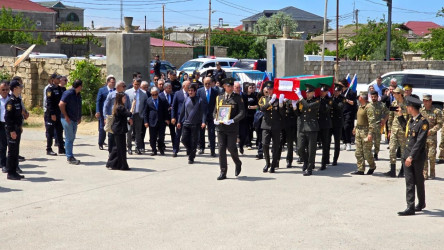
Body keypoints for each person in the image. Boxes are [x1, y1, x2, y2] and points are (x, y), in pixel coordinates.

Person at [396, 96, 428, 216]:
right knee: (409, 181)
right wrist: (400, 117)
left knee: (419, 180)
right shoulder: (411, 120)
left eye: (408, 106)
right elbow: (407, 130)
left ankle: (421, 203)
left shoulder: (423, 122)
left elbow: (419, 142)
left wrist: (411, 157)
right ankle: (410, 207)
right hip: (407, 154)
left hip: (416, 157)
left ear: (412, 107)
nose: (407, 108)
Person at [214, 77, 245, 180]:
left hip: (232, 127)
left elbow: (242, 112)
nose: (231, 87)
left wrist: (233, 120)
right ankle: (223, 172)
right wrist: (215, 118)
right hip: (221, 128)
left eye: (232, 86)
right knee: (221, 149)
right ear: (224, 86)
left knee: (231, 148)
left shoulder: (237, 98)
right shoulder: (219, 97)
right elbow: (215, 111)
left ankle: (237, 162)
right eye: (229, 86)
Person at [258, 81, 285, 173]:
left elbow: (282, 114)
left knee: (276, 146)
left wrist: (281, 105)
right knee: (265, 144)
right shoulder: (263, 99)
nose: (269, 90)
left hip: (276, 126)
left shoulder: (278, 99)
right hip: (266, 125)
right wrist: (270, 102)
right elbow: (261, 108)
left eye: (271, 89)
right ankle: (267, 163)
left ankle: (273, 165)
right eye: (267, 89)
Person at [177, 84, 206, 164]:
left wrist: (203, 122)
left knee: (194, 141)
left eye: (192, 91)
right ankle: (190, 150)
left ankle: (191, 157)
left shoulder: (199, 100)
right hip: (186, 123)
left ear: (195, 91)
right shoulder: (186, 99)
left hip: (196, 124)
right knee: (183, 140)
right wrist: (179, 121)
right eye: (189, 91)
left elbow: (203, 112)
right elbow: (182, 111)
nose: (190, 92)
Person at [106, 93, 136, 170]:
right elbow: (129, 114)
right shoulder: (120, 107)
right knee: (121, 148)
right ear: (120, 98)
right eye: (124, 98)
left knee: (117, 147)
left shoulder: (118, 107)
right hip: (119, 130)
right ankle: (122, 165)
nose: (125, 99)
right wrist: (133, 105)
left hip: (118, 129)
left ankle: (112, 163)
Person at [295, 84, 320, 176]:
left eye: (309, 92)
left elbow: (308, 107)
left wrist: (300, 98)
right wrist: (294, 106)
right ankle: (305, 161)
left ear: (313, 93)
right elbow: (299, 113)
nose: (307, 94)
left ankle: (309, 168)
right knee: (300, 148)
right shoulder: (303, 101)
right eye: (306, 92)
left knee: (311, 149)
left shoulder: (317, 101)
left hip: (312, 128)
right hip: (302, 128)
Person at [351, 91, 377, 175]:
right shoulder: (360, 106)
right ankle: (361, 169)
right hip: (359, 131)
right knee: (358, 152)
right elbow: (358, 119)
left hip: (366, 131)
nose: (358, 98)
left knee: (367, 152)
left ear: (362, 98)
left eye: (359, 97)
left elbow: (372, 121)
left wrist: (370, 133)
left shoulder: (369, 107)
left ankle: (372, 166)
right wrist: (355, 128)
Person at [386, 87, 409, 177]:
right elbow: (390, 117)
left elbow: (410, 118)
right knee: (392, 148)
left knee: (403, 151)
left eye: (395, 93)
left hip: (403, 130)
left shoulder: (407, 105)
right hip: (394, 130)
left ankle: (403, 170)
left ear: (400, 94)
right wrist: (389, 130)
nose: (393, 94)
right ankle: (392, 170)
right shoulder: (394, 103)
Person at [103, 81, 131, 153]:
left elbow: (128, 106)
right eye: (123, 86)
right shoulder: (111, 94)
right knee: (111, 136)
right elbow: (106, 106)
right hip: (113, 117)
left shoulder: (126, 96)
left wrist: (130, 117)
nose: (125, 88)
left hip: (122, 119)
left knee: (121, 137)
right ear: (118, 87)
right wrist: (105, 117)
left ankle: (120, 153)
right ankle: (111, 152)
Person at [59, 79, 83, 165]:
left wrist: (79, 117)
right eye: (81, 86)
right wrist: (66, 116)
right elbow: (61, 104)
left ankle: (70, 154)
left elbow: (79, 106)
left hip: (74, 119)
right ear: (79, 86)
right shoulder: (68, 93)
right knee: (69, 137)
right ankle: (69, 157)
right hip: (67, 119)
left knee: (72, 137)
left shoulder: (78, 94)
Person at [5, 80, 25, 180]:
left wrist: (20, 126)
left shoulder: (17, 100)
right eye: (19, 87)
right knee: (12, 151)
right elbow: (8, 118)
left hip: (17, 128)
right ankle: (10, 172)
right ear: (15, 89)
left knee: (16, 151)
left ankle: (14, 171)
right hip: (12, 130)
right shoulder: (10, 101)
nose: (21, 89)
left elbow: (18, 116)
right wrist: (12, 131)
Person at [420, 94, 442, 180]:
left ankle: (432, 172)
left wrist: (431, 131)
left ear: (431, 101)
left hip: (432, 137)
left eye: (427, 101)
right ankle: (424, 173)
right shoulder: (421, 111)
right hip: (423, 136)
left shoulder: (436, 111)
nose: (425, 102)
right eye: (424, 101)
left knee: (431, 155)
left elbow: (440, 123)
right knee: (423, 155)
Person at [125, 78, 148, 155]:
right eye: (135, 84)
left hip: (139, 114)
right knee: (129, 131)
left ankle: (137, 147)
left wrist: (143, 114)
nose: (136, 86)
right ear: (132, 83)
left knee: (138, 132)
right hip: (130, 115)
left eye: (138, 85)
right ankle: (129, 147)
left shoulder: (144, 93)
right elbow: (125, 104)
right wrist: (128, 114)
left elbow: (145, 104)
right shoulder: (127, 92)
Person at [197, 77, 219, 157]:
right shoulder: (199, 91)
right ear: (203, 83)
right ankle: (201, 148)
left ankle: (212, 150)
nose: (207, 85)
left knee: (212, 133)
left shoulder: (215, 92)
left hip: (211, 115)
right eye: (205, 83)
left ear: (212, 83)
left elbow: (217, 104)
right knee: (201, 133)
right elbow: (197, 103)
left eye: (209, 83)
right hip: (202, 115)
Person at [45, 73, 65, 156]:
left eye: (60, 78)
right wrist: (52, 113)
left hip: (59, 113)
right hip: (51, 114)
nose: (59, 80)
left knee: (60, 131)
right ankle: (49, 149)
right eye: (57, 78)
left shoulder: (61, 89)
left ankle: (61, 148)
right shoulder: (50, 89)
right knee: (50, 132)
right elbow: (49, 103)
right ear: (53, 79)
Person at [144, 87, 168, 156]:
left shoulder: (162, 100)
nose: (154, 96)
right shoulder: (148, 101)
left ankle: (161, 148)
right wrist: (146, 121)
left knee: (161, 137)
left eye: (156, 94)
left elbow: (165, 111)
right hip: (152, 121)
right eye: (153, 94)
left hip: (161, 121)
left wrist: (166, 119)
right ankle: (154, 150)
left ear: (158, 93)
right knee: (152, 137)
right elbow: (145, 112)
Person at [96, 75, 116, 150]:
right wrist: (97, 111)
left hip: (113, 113)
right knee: (103, 128)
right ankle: (100, 143)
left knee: (112, 128)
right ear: (108, 82)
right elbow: (98, 101)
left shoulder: (115, 90)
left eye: (114, 82)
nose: (113, 84)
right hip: (103, 112)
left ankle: (112, 143)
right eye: (112, 82)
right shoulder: (102, 90)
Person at [171, 81, 191, 157]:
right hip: (180, 118)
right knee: (177, 135)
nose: (190, 87)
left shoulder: (191, 93)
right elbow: (174, 107)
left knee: (188, 135)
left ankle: (188, 149)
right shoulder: (177, 94)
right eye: (188, 85)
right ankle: (175, 150)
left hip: (189, 118)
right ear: (184, 86)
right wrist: (173, 117)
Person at [370, 90, 388, 160]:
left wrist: (384, 120)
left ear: (377, 97)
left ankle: (376, 154)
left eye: (375, 97)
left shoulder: (381, 105)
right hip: (370, 126)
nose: (373, 98)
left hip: (378, 126)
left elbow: (387, 113)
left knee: (377, 141)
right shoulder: (368, 105)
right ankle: (369, 154)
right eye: (372, 97)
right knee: (369, 141)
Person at [330, 82, 345, 165]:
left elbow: (339, 107)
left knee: (337, 142)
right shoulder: (330, 97)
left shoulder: (342, 98)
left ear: (340, 92)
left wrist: (332, 101)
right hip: (330, 122)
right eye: (334, 91)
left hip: (337, 123)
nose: (335, 92)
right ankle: (326, 158)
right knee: (327, 141)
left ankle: (335, 159)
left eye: (337, 91)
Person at [318, 84, 332, 170]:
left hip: (325, 125)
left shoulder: (329, 100)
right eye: (321, 91)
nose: (321, 93)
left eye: (323, 91)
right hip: (317, 124)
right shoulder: (317, 99)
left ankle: (324, 163)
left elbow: (324, 109)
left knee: (325, 144)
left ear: (327, 92)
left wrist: (322, 100)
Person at [241, 83, 258, 152]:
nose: (251, 89)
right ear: (246, 88)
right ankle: (248, 143)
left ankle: (250, 140)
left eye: (252, 87)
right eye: (250, 88)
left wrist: (251, 107)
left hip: (252, 114)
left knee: (251, 129)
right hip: (245, 115)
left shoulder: (254, 96)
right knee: (246, 129)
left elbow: (257, 105)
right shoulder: (243, 95)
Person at [341, 78, 357, 151]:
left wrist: (346, 100)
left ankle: (348, 142)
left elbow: (353, 102)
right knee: (342, 127)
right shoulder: (340, 92)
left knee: (347, 127)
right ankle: (344, 142)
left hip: (349, 112)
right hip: (341, 112)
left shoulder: (351, 92)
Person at [159, 82, 175, 150]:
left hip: (171, 117)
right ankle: (161, 146)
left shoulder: (173, 95)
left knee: (173, 132)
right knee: (162, 133)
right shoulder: (160, 96)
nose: (170, 89)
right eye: (169, 88)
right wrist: (165, 118)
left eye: (171, 88)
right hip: (163, 117)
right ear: (165, 88)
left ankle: (175, 145)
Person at [0, 80, 10, 174]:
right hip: (1, 124)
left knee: (8, 145)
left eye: (7, 89)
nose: (5, 91)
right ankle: (3, 164)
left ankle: (8, 164)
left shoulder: (11, 99)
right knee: (2, 146)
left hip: (9, 124)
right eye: (3, 89)